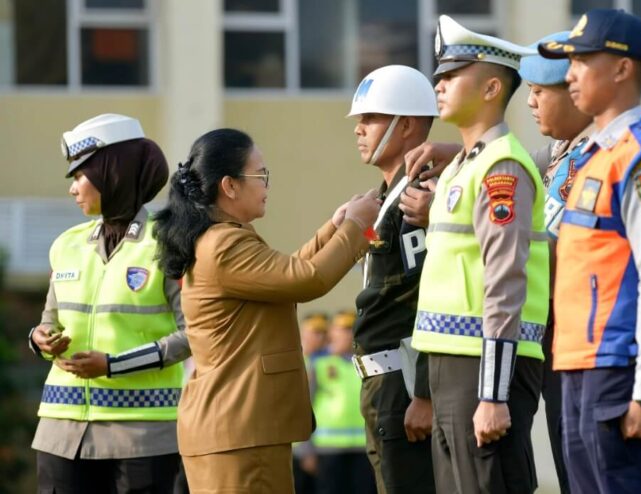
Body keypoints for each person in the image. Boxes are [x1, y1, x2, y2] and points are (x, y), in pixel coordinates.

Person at [152, 128, 379, 493]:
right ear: (230, 186)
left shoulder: (221, 238)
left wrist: (335, 228)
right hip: (239, 429)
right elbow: (307, 279)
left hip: (237, 428)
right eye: (260, 176)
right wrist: (356, 226)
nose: (266, 186)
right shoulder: (225, 243)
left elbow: (286, 275)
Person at [538, 8, 641, 493]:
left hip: (621, 369)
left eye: (582, 61)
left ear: (623, 69)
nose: (569, 75)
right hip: (577, 366)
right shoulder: (590, 159)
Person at [410, 16, 549, 493]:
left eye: (452, 76)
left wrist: (493, 393)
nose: (439, 84)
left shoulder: (501, 167)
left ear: (492, 87)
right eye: (439, 76)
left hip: (484, 365)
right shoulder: (462, 166)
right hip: (452, 361)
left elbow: (504, 280)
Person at [28, 113, 189, 493]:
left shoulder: (169, 242)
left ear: (112, 173)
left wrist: (114, 365)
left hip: (143, 434)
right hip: (60, 431)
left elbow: (195, 334)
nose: (72, 189)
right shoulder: (65, 245)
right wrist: (40, 338)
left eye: (79, 176)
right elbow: (46, 321)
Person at [346, 64, 437, 494]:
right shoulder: (386, 197)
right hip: (382, 384)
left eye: (371, 118)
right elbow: (387, 265)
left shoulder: (419, 194)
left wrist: (425, 393)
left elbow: (430, 296)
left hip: (405, 383)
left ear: (407, 125)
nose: (360, 129)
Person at [518, 31, 596, 494]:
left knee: (587, 471)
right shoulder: (560, 154)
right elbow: (509, 165)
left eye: (539, 91)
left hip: (584, 335)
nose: (530, 103)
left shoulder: (601, 155)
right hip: (553, 334)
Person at [310, 311, 376, 494]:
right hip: (328, 447)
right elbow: (306, 406)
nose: (348, 334)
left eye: (351, 329)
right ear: (332, 332)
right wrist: (307, 449)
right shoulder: (319, 363)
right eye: (343, 329)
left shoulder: (367, 363)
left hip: (362, 446)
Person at [293, 312, 330, 494]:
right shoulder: (300, 363)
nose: (321, 336)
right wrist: (306, 450)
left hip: (320, 448)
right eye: (315, 331)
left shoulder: (327, 362)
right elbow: (298, 410)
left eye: (323, 332)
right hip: (299, 449)